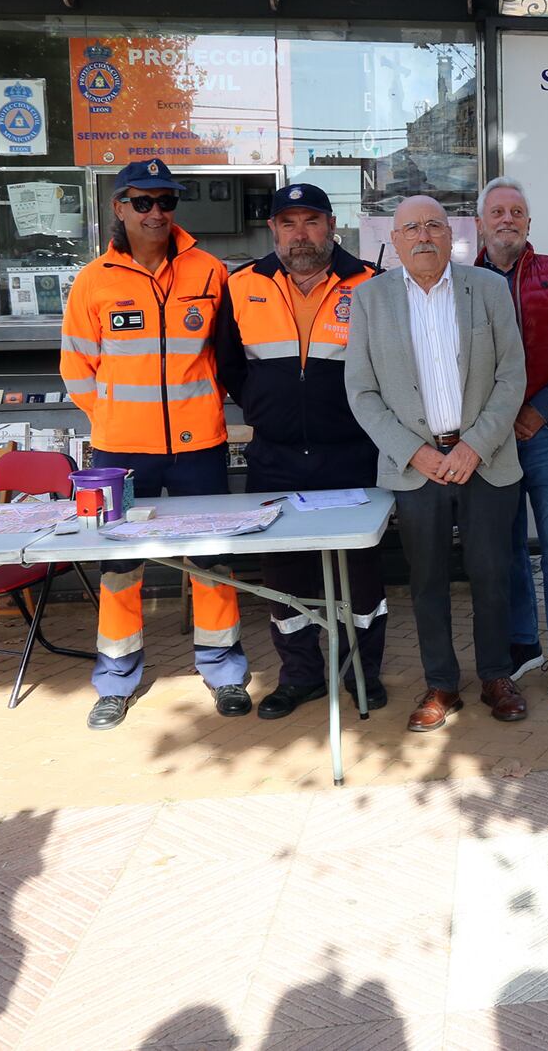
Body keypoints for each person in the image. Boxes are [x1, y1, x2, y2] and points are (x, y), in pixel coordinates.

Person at [59, 157, 246, 731]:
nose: (156, 212)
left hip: (199, 447)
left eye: (166, 201)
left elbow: (224, 358)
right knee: (120, 565)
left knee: (211, 560)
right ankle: (116, 679)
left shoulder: (210, 272)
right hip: (120, 453)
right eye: (143, 202)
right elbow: (77, 371)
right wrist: (117, 419)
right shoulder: (93, 280)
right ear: (119, 208)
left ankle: (223, 670)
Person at [345, 195, 529, 732]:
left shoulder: (489, 289)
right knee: (425, 580)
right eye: (411, 228)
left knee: (493, 573)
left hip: (485, 458)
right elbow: (362, 392)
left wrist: (474, 445)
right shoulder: (370, 300)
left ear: (453, 236)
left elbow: (511, 377)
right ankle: (441, 684)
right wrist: (416, 452)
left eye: (433, 226)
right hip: (414, 464)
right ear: (395, 240)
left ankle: (496, 675)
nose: (423, 236)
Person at [212, 182, 389, 720]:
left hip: (353, 455)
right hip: (277, 457)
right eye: (288, 223)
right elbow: (229, 367)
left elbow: (390, 365)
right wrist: (272, 407)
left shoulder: (371, 284)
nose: (300, 234)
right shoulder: (241, 285)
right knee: (285, 579)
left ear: (331, 225)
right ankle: (301, 676)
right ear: (273, 230)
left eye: (311, 221)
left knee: (361, 578)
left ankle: (363, 673)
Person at [473, 178, 548, 700]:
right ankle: (524, 643)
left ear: (528, 223)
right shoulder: (461, 283)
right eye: (497, 211)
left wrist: (540, 411)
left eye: (516, 211)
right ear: (480, 223)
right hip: (488, 438)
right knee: (509, 545)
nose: (507, 219)